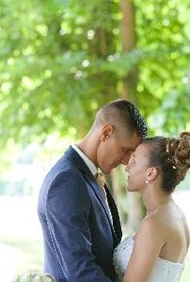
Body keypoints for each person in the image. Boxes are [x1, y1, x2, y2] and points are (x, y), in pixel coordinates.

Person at [37, 99, 148, 282]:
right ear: (106, 133)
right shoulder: (67, 181)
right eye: (126, 150)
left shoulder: (89, 176)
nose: (127, 161)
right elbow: (79, 269)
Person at [113, 132, 190, 282]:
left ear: (151, 173)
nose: (127, 168)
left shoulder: (154, 224)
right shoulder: (176, 215)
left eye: (134, 161)